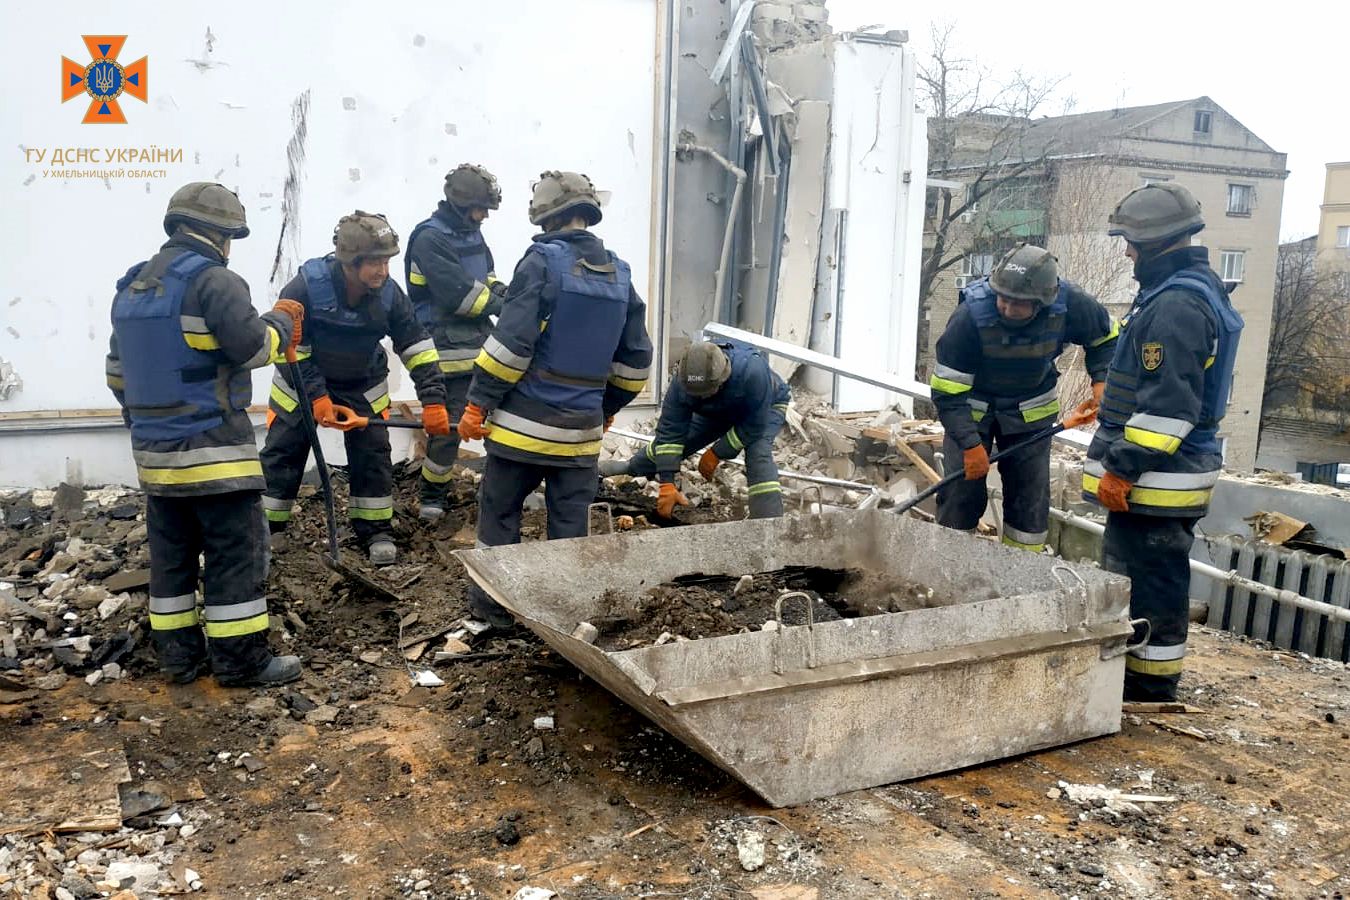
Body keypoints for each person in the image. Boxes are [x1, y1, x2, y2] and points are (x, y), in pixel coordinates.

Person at [106, 182, 303, 686]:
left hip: (155, 462)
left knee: (170, 564)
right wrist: (281, 320)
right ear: (224, 234)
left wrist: (149, 428)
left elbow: (117, 376)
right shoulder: (215, 281)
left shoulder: (131, 289)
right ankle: (240, 663)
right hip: (216, 458)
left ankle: (178, 660)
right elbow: (255, 348)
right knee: (235, 558)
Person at [458, 171, 652, 628]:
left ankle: (494, 612)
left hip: (522, 432)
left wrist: (476, 404)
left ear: (545, 218)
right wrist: (604, 410)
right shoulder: (620, 274)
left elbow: (510, 347)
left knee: (500, 516)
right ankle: (565, 618)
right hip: (580, 439)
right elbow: (637, 362)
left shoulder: (541, 262)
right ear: (587, 214)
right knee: (569, 532)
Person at [1084, 182, 1243, 702]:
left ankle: (1147, 685)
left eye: (1130, 240)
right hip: (1162, 475)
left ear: (1154, 242)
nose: (1126, 250)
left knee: (1148, 579)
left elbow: (1170, 409)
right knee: (1149, 574)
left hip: (1157, 479)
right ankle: (1141, 678)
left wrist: (1122, 467)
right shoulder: (1183, 290)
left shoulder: (1175, 305)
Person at [261, 211, 450, 565]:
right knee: (283, 453)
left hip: (363, 383)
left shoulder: (390, 294)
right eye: (374, 263)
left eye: (386, 262)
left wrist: (434, 400)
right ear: (349, 262)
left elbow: (416, 345)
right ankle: (267, 530)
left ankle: (374, 529)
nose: (382, 271)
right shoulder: (304, 288)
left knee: (372, 456)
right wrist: (317, 397)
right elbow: (288, 349)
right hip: (300, 384)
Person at [930, 243, 1117, 552]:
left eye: (1019, 303)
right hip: (971, 415)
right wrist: (970, 445)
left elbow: (1107, 337)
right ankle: (952, 565)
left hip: (1030, 416)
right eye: (1003, 298)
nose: (1007, 307)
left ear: (1043, 302)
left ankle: (1019, 571)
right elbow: (947, 393)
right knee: (960, 494)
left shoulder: (1071, 305)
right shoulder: (970, 317)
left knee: (1030, 499)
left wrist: (1102, 379)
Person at [405, 164, 509, 520]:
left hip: (480, 347)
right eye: (479, 209)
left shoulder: (473, 235)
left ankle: (506, 493)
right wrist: (510, 309)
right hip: (445, 352)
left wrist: (511, 296)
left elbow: (488, 280)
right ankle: (433, 497)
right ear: (459, 203)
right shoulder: (429, 238)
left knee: (499, 420)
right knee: (449, 428)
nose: (483, 216)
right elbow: (461, 297)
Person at [601, 341, 790, 519]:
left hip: (764, 409)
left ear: (722, 379)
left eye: (705, 393)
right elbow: (670, 433)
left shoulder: (753, 372)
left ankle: (768, 523)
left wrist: (718, 452)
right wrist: (667, 483)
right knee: (666, 446)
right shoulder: (683, 384)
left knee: (758, 454)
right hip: (716, 411)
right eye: (696, 394)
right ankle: (630, 467)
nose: (700, 397)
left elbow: (755, 426)